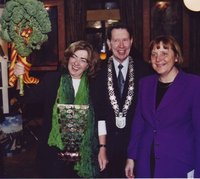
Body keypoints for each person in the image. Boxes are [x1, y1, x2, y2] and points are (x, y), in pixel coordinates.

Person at [14, 40, 100, 178]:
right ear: (68, 58)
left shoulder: (94, 86)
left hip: (83, 154)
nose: (76, 63)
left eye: (83, 60)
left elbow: (100, 120)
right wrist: (19, 78)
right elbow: (27, 98)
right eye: (74, 57)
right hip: (53, 154)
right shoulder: (52, 80)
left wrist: (102, 148)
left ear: (88, 65)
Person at [125, 35, 200, 178]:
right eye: (154, 54)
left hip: (179, 165)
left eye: (164, 53)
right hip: (146, 163)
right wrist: (131, 157)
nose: (158, 58)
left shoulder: (194, 85)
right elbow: (138, 123)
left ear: (176, 57)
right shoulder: (145, 84)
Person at [91, 22, 152, 178]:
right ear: (109, 43)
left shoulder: (146, 72)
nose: (121, 45)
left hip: (137, 146)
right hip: (107, 147)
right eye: (116, 40)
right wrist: (102, 146)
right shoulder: (97, 73)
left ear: (131, 41)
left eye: (125, 40)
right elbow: (99, 115)